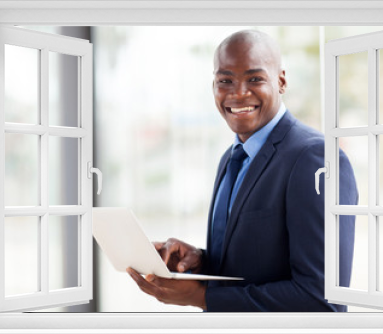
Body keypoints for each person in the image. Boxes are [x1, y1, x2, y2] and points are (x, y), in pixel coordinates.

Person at [127, 30, 358, 312]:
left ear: (281, 81)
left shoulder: (315, 157)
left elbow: (322, 299)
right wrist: (200, 260)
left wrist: (201, 297)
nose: (238, 93)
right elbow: (259, 263)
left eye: (255, 79)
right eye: (225, 80)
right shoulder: (231, 158)